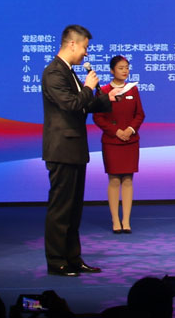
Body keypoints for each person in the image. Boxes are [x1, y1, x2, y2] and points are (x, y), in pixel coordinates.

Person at [42, 25, 122, 276]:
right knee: (61, 208)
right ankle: (56, 261)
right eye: (85, 47)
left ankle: (73, 258)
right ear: (72, 44)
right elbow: (71, 104)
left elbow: (84, 105)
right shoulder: (53, 72)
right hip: (61, 149)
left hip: (75, 148)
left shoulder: (69, 72)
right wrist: (88, 87)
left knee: (74, 209)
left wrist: (106, 98)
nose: (86, 53)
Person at [93, 56, 145, 234]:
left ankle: (126, 220)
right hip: (112, 141)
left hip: (130, 140)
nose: (125, 71)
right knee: (114, 180)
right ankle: (115, 220)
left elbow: (140, 114)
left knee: (128, 180)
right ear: (112, 70)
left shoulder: (133, 89)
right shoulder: (103, 91)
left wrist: (130, 129)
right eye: (121, 68)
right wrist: (116, 131)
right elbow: (98, 117)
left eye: (127, 67)